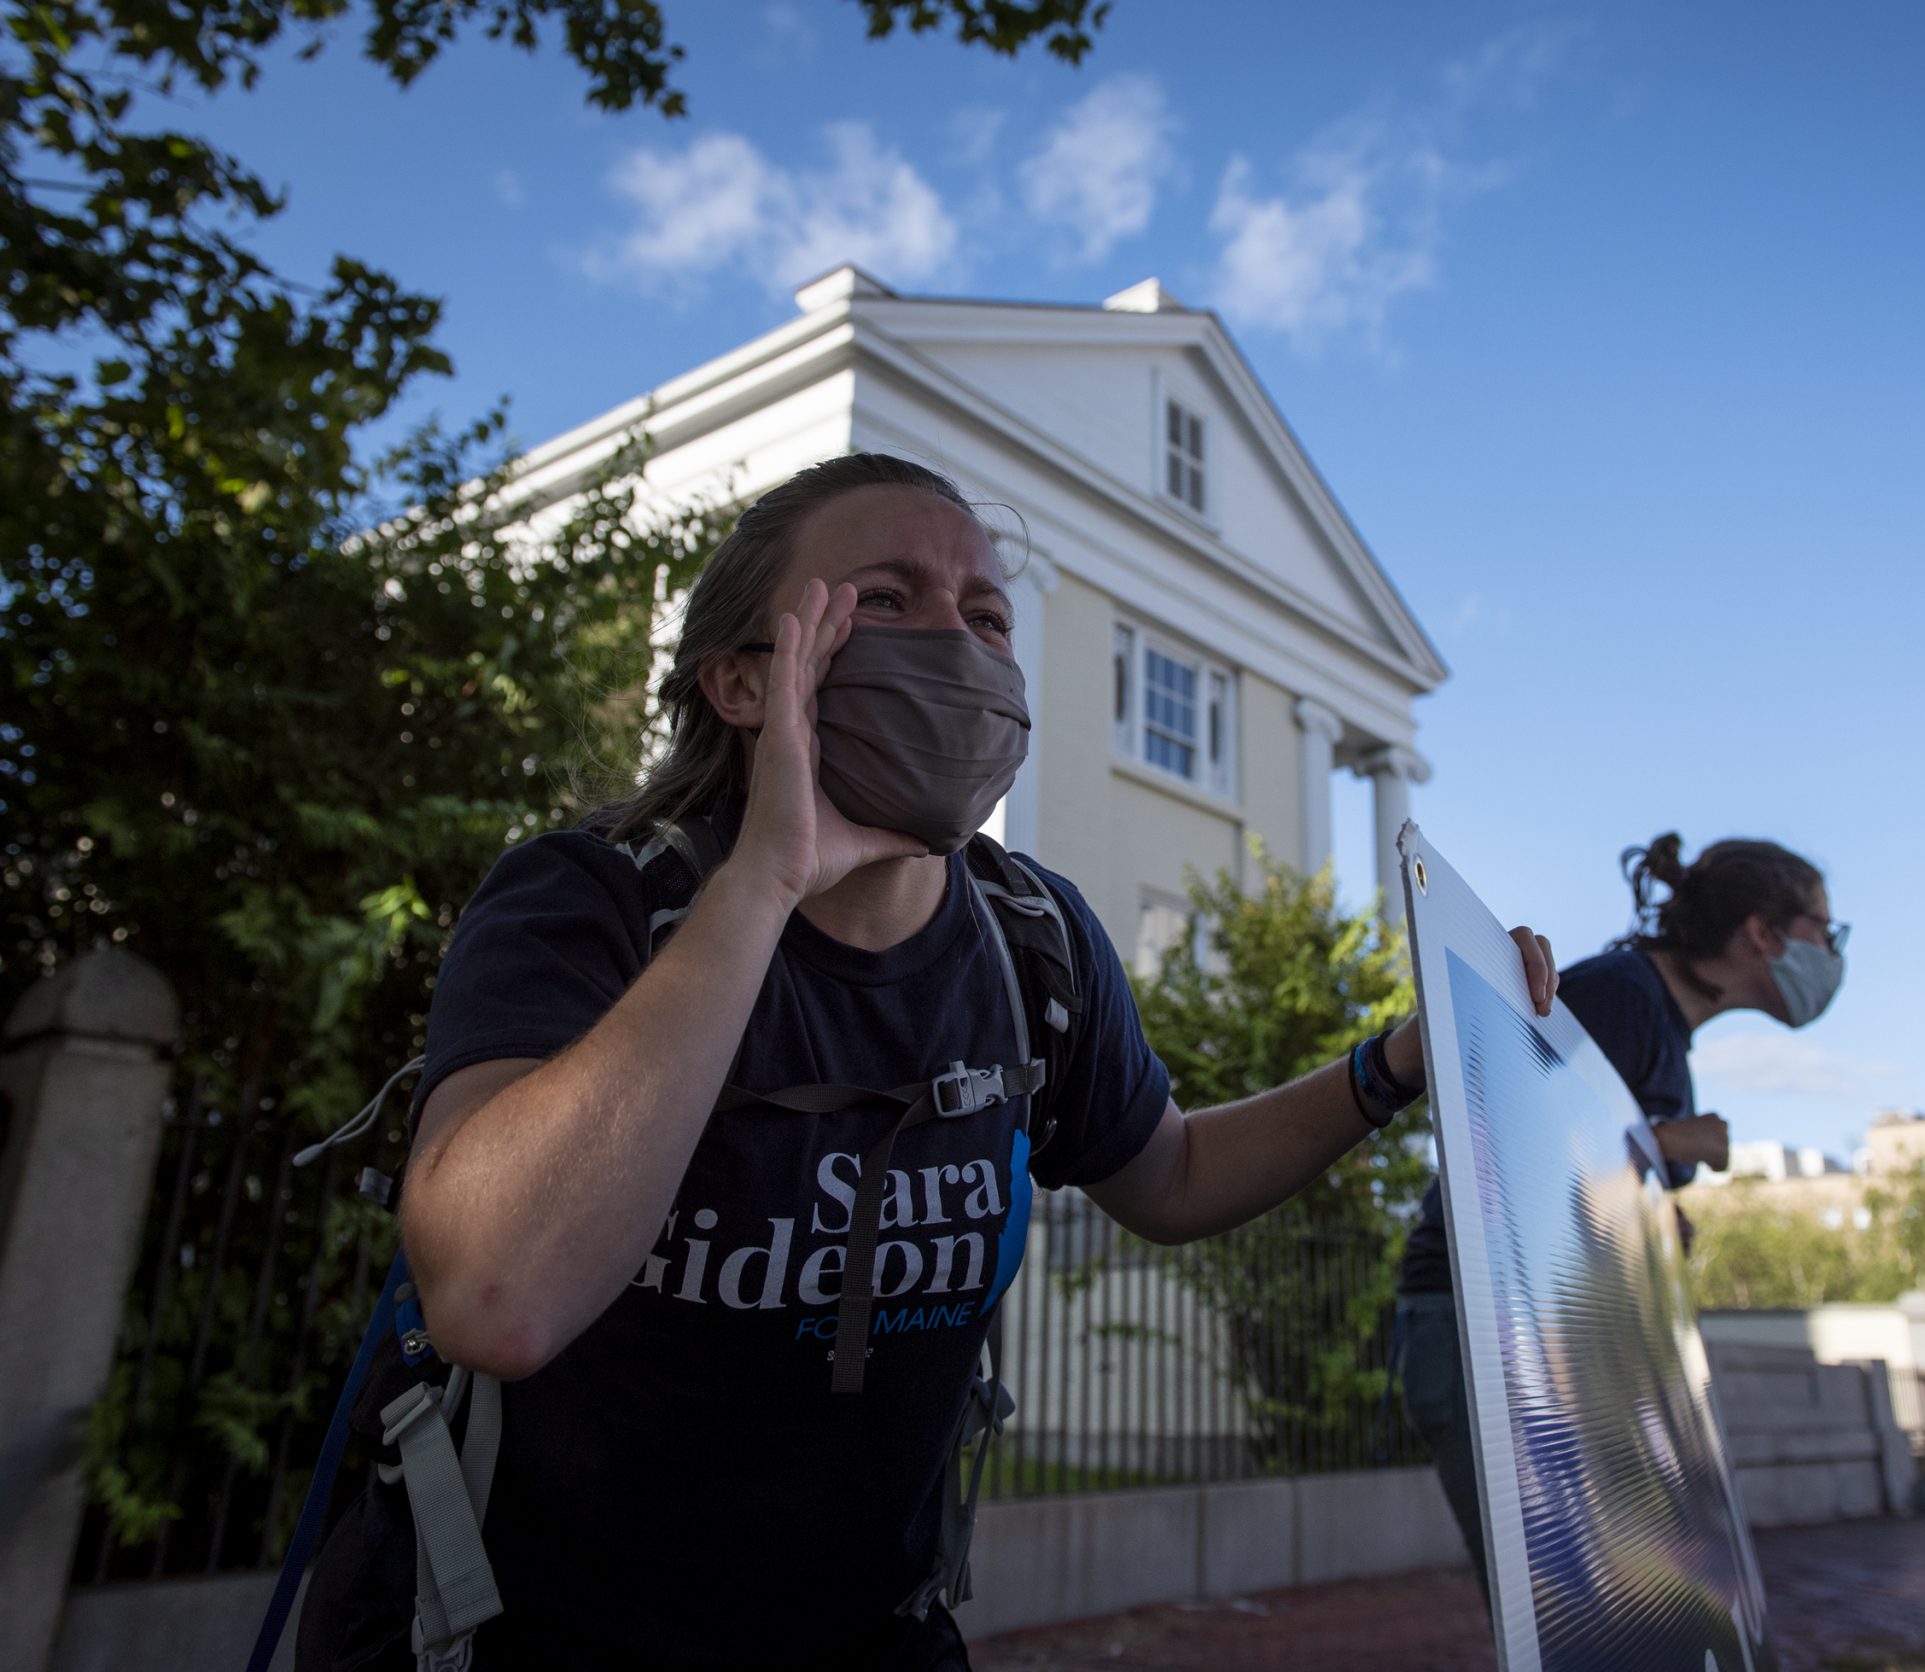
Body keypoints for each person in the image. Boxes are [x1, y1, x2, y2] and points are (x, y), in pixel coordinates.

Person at [295, 454, 1558, 1671]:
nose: (956, 640)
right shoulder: (588, 902)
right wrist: (767, 880)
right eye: (887, 600)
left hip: (875, 1638)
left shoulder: (1035, 942)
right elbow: (497, 1298)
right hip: (516, 1640)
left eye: (988, 615)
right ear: (741, 682)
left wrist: (1395, 1064)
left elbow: (1168, 1175)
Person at [1392, 833, 1846, 1592]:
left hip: (1557, 1340)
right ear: (1763, 933)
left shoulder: (1661, 1021)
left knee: (1619, 1602)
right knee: (1565, 1607)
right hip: (1488, 1329)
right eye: (1824, 930)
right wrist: (1665, 1145)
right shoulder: (1622, 994)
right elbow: (1505, 1136)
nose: (1832, 952)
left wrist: (1657, 1214)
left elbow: (1589, 1189)